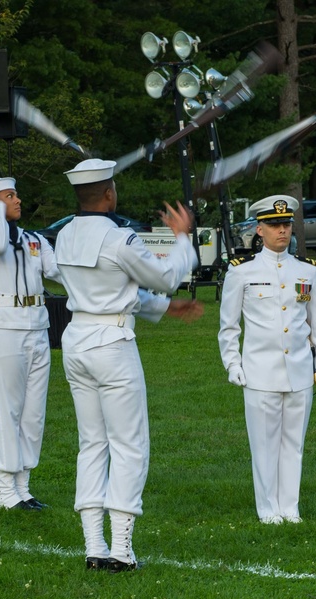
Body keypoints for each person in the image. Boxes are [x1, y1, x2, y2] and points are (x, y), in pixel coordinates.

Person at [54, 158, 203, 573]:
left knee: (92, 443)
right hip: (112, 344)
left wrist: (161, 309)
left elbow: (111, 289)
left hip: (77, 340)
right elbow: (166, 277)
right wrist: (181, 238)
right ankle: (120, 548)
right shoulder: (121, 239)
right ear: (108, 193)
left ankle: (93, 545)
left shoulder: (63, 236)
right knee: (129, 444)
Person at [218, 195, 316, 525]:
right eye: (275, 225)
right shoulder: (241, 272)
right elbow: (228, 327)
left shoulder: (307, 271)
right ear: (259, 229)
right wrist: (233, 364)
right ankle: (267, 509)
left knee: (293, 444)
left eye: (286, 225)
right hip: (259, 372)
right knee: (265, 447)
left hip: (298, 370)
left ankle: (289, 507)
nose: (282, 231)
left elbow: (315, 323)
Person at [0, 177, 60, 512]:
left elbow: (61, 271)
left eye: (16, 194)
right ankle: (5, 490)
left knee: (33, 413)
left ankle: (23, 487)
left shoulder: (34, 240)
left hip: (37, 326)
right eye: (9, 196)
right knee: (7, 410)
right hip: (1, 329)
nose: (18, 199)